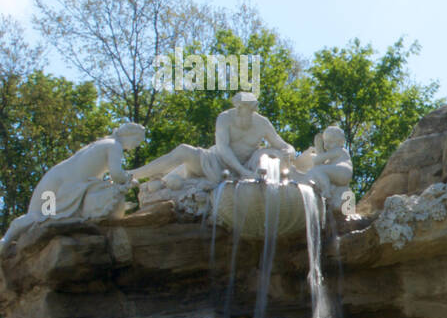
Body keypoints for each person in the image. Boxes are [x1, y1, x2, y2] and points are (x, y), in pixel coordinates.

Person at [2, 123, 146, 245]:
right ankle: (6, 241)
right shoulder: (115, 146)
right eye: (138, 140)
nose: (136, 145)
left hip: (54, 178)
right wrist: (131, 179)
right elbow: (116, 174)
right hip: (67, 187)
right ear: (130, 135)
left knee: (38, 214)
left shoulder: (101, 143)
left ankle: (6, 240)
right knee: (44, 215)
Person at [129, 91, 295, 188]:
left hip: (243, 168)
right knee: (183, 150)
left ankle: (165, 182)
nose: (236, 111)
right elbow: (223, 148)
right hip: (216, 161)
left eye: (241, 107)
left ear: (252, 109)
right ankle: (131, 174)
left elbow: (282, 144)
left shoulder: (262, 124)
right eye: (236, 106)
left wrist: (290, 151)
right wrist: (243, 172)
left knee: (173, 180)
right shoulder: (225, 118)